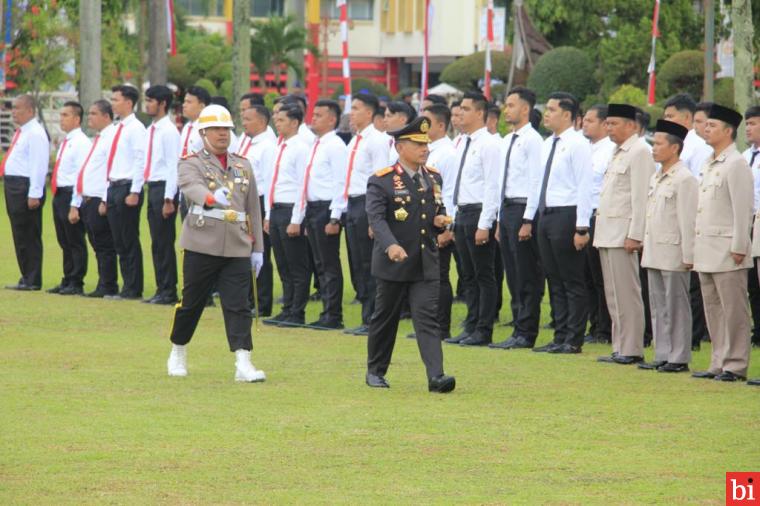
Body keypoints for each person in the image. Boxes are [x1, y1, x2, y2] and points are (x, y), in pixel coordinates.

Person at [166, 104, 266, 383]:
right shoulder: (191, 162)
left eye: (227, 129)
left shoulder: (242, 164)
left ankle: (243, 361)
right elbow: (191, 187)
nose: (223, 134)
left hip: (236, 243)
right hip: (202, 242)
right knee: (191, 303)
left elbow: (253, 208)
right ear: (203, 132)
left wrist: (257, 249)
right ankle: (178, 350)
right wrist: (210, 198)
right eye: (216, 129)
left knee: (238, 305)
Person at [365, 116, 456, 393]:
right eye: (417, 144)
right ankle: (375, 371)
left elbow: (433, 211)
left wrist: (439, 221)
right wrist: (391, 245)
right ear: (400, 147)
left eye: (426, 143)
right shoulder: (381, 181)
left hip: (425, 260)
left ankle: (436, 376)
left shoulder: (432, 177)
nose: (424, 148)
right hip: (393, 262)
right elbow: (377, 219)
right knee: (386, 318)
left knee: (427, 317)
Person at [519, 92, 593, 354]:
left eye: (551, 110)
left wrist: (581, 226)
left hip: (567, 214)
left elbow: (585, 185)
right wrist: (530, 217)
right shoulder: (548, 143)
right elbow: (537, 183)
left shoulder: (577, 144)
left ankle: (574, 338)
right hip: (546, 215)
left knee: (571, 279)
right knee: (554, 278)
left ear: (567, 115)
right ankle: (560, 334)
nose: (546, 114)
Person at [691, 105, 754, 382]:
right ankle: (718, 360)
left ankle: (736, 363)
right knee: (713, 309)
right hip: (707, 246)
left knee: (733, 310)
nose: (706, 129)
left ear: (728, 131)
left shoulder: (736, 163)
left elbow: (743, 209)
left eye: (713, 125)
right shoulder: (710, 161)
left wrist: (740, 245)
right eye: (706, 125)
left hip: (728, 247)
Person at [594, 104, 654, 364]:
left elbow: (641, 196)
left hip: (623, 233)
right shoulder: (618, 152)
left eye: (614, 123)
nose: (609, 128)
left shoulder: (640, 151)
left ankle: (632, 348)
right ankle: (620, 345)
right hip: (608, 231)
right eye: (607, 123)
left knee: (627, 292)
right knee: (613, 294)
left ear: (631, 125)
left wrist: (636, 234)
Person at [639, 120, 698, 373]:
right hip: (655, 249)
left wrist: (688, 254)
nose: (654, 148)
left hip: (674, 250)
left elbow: (688, 219)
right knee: (657, 304)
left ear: (674, 148)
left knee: (676, 305)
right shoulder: (657, 176)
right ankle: (662, 353)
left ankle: (679, 356)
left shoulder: (684, 179)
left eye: (659, 144)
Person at [443, 91, 500, 347]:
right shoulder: (461, 143)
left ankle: (484, 329)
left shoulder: (489, 144)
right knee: (467, 275)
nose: (460, 113)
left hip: (479, 213)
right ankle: (471, 323)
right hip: (463, 212)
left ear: (479, 113)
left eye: (466, 109)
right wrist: (452, 219)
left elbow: (492, 186)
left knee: (483, 274)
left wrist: (485, 224)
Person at [490, 87, 544, 350]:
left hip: (524, 208)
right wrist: (500, 220)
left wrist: (528, 220)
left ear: (525, 109)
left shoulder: (533, 140)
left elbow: (535, 181)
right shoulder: (506, 140)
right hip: (508, 208)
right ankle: (517, 326)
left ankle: (527, 331)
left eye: (511, 105)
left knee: (526, 274)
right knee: (512, 273)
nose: (506, 109)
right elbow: (502, 182)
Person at [334, 93, 391, 335]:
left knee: (370, 264)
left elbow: (381, 177)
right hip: (353, 204)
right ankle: (366, 316)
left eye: (356, 108)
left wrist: (375, 216)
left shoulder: (376, 141)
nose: (351, 113)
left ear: (369, 113)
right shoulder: (355, 141)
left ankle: (374, 319)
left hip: (369, 202)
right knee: (357, 263)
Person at [294, 99, 348, 329]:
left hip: (327, 208)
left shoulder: (335, 145)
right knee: (320, 263)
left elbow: (340, 181)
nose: (313, 118)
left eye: (318, 115)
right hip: (313, 207)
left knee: (329, 264)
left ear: (332, 119)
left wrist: (335, 216)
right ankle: (327, 311)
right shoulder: (316, 145)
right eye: (313, 114)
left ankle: (333, 314)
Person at [262, 103, 310, 326]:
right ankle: (287, 307)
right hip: (277, 209)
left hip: (291, 209)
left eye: (281, 120)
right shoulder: (279, 146)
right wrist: (268, 214)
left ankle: (297, 312)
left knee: (296, 264)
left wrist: (296, 219)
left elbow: (303, 185)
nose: (276, 123)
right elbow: (271, 182)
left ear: (294, 122)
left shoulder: (300, 147)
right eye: (276, 119)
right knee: (282, 262)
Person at [68, 100, 119, 298]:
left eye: (94, 113)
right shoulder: (98, 138)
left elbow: (110, 170)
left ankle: (108, 284)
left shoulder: (111, 137)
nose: (90, 117)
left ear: (106, 116)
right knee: (97, 243)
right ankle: (103, 282)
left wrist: (105, 199)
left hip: (99, 197)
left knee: (104, 244)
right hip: (88, 198)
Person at [1, 95, 49, 291]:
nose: (14, 112)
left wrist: (34, 193)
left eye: (18, 108)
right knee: (19, 233)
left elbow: (38, 165)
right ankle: (26, 275)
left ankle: (33, 278)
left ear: (30, 111)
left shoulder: (35, 133)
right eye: (13, 108)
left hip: (24, 186)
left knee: (29, 233)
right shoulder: (21, 132)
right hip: (13, 186)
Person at [107, 84, 146, 300]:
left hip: (127, 186)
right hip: (113, 186)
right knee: (118, 239)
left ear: (129, 103)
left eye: (116, 99)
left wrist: (135, 190)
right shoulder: (118, 128)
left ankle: (133, 287)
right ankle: (126, 285)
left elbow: (140, 160)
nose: (113, 103)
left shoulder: (136, 128)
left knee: (128, 237)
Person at [422, 103, 457, 340]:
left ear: (441, 125)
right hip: (426, 221)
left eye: (427, 122)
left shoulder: (448, 153)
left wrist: (448, 226)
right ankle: (430, 325)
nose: (422, 126)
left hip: (441, 222)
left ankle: (441, 327)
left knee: (440, 276)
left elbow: (452, 191)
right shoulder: (428, 150)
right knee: (428, 277)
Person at [142, 85, 181, 305]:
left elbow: (172, 166)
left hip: (164, 188)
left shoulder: (168, 131)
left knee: (164, 241)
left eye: (151, 100)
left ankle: (168, 290)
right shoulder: (151, 130)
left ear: (162, 104)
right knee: (157, 242)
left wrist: (168, 199)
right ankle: (161, 287)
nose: (147, 104)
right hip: (153, 187)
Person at [237, 104, 276, 317]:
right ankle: (249, 298)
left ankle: (262, 302)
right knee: (245, 251)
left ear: (261, 122)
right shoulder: (250, 144)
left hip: (258, 202)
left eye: (248, 119)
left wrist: (267, 213)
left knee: (260, 253)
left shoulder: (267, 146)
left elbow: (270, 181)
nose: (244, 123)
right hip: (243, 200)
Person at [49, 101, 90, 295]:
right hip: (59, 193)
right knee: (64, 239)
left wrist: (75, 204)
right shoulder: (67, 141)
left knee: (75, 239)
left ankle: (76, 280)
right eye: (61, 115)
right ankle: (67, 278)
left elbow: (81, 175)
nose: (61, 119)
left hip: (71, 193)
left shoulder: (81, 142)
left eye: (65, 115)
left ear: (76, 118)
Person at [581, 105, 614, 345]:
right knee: (588, 277)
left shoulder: (610, 151)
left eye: (590, 120)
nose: (584, 123)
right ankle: (595, 325)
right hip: (583, 217)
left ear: (604, 124)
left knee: (602, 278)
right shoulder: (586, 149)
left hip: (600, 216)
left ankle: (606, 328)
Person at [663, 94, 713, 179]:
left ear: (687, 117)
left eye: (670, 116)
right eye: (665, 117)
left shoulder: (699, 147)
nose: (666, 121)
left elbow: (700, 183)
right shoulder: (673, 144)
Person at [745, 106, 760, 348]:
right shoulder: (745, 155)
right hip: (748, 222)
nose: (748, 128)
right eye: (746, 124)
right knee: (752, 284)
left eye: (753, 123)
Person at [384, 101, 416, 165]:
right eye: (384, 116)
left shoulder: (411, 142)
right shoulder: (385, 137)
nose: (384, 120)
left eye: (389, 116)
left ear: (403, 119)